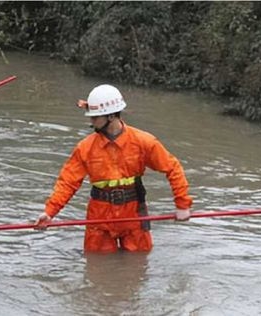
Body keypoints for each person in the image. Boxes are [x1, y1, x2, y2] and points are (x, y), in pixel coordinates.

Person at [35, 84, 193, 252]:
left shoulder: (144, 142)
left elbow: (173, 168)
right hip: (99, 216)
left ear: (111, 116)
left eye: (95, 117)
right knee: (98, 267)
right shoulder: (85, 148)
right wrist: (50, 213)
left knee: (138, 265)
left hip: (133, 213)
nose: (91, 121)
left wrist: (182, 205)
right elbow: (67, 183)